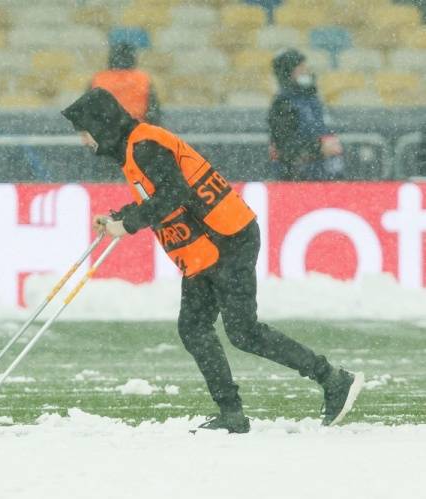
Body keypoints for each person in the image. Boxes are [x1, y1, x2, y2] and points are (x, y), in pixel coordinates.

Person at [61, 87, 364, 433]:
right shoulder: (136, 147)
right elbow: (160, 194)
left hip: (226, 239)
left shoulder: (144, 145)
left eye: (85, 132)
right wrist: (120, 216)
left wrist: (127, 225)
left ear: (102, 126)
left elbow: (175, 193)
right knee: (195, 328)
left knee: (243, 332)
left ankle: (333, 379)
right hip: (207, 246)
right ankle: (232, 413)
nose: (84, 141)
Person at [269, 48, 345, 181]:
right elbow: (285, 148)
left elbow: (321, 130)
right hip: (297, 177)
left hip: (323, 174)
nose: (306, 72)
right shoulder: (283, 104)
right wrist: (319, 149)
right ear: (288, 72)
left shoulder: (311, 98)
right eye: (301, 68)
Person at [90, 42, 162, 125]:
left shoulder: (98, 79)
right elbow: (153, 112)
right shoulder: (143, 79)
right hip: (135, 130)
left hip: (104, 131)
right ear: (133, 58)